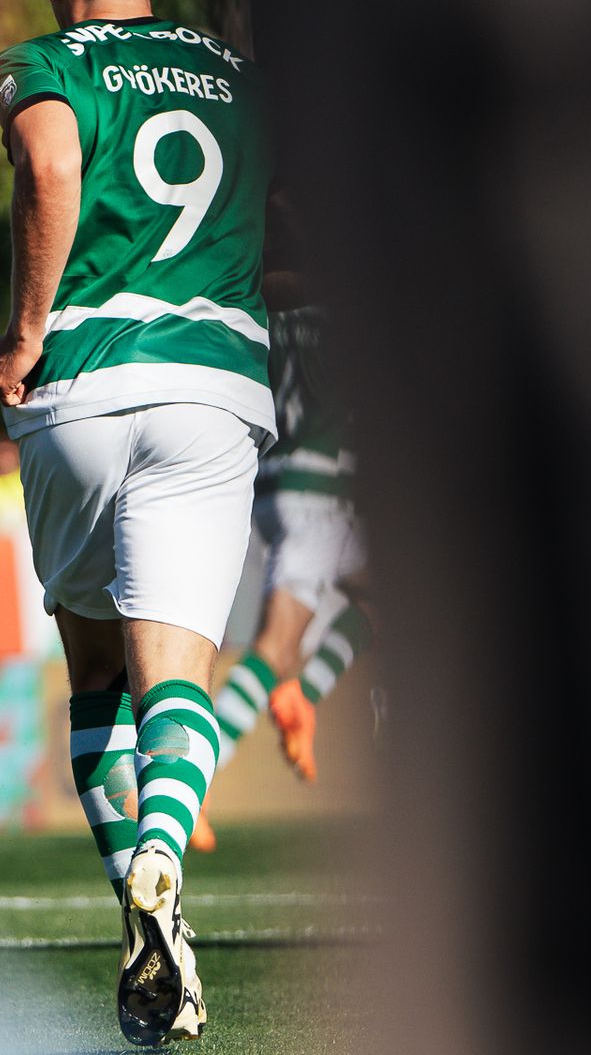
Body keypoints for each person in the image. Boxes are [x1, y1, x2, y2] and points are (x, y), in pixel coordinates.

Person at [0, 0, 273, 1047]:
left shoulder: (42, 62)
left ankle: (149, 917)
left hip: (81, 390)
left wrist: (28, 327)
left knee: (95, 673)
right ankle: (165, 856)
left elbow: (50, 167)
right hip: (207, 389)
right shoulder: (243, 77)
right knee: (178, 673)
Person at [191, 298, 373, 853]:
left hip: (268, 482)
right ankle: (191, 786)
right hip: (317, 492)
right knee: (273, 646)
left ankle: (301, 694)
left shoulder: (256, 306)